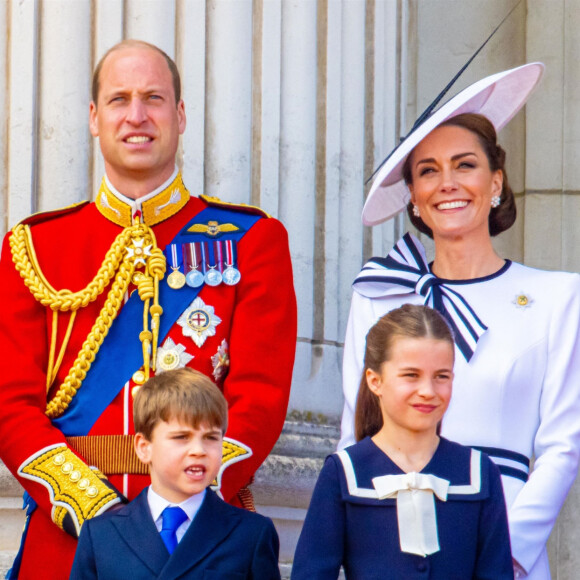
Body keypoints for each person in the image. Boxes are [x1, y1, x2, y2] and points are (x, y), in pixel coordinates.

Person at [0, 40, 297, 579]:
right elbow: (10, 405)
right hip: (68, 540)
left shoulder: (253, 240)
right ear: (94, 118)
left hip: (203, 539)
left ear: (180, 115)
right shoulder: (36, 246)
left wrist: (187, 495)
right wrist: (96, 514)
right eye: (119, 100)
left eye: (153, 98)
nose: (136, 116)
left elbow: (260, 396)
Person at [339, 62, 580, 579]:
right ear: (415, 200)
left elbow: (563, 446)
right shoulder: (379, 296)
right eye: (428, 170)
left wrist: (503, 553)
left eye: (464, 165)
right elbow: (353, 436)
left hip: (507, 546)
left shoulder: (559, 297)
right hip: (393, 541)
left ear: (495, 181)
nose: (447, 183)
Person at [293, 305, 512, 579]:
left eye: (441, 376)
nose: (428, 391)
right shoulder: (345, 472)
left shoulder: (479, 473)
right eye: (411, 375)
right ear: (375, 381)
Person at [69, 367, 281, 580]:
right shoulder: (101, 534)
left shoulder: (251, 534)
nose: (199, 450)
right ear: (144, 447)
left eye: (211, 438)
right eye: (181, 437)